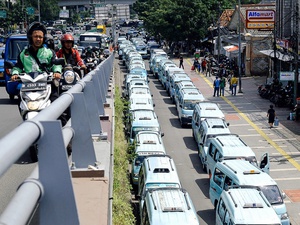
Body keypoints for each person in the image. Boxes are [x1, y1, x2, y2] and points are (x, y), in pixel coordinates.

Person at [11, 21, 62, 103]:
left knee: (57, 105)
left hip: (46, 85)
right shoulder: (23, 54)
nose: (38, 39)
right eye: (35, 36)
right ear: (31, 37)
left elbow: (56, 64)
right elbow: (18, 67)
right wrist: (15, 74)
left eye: (40, 37)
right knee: (20, 99)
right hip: (28, 86)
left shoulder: (49, 52)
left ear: (43, 38)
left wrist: (56, 72)